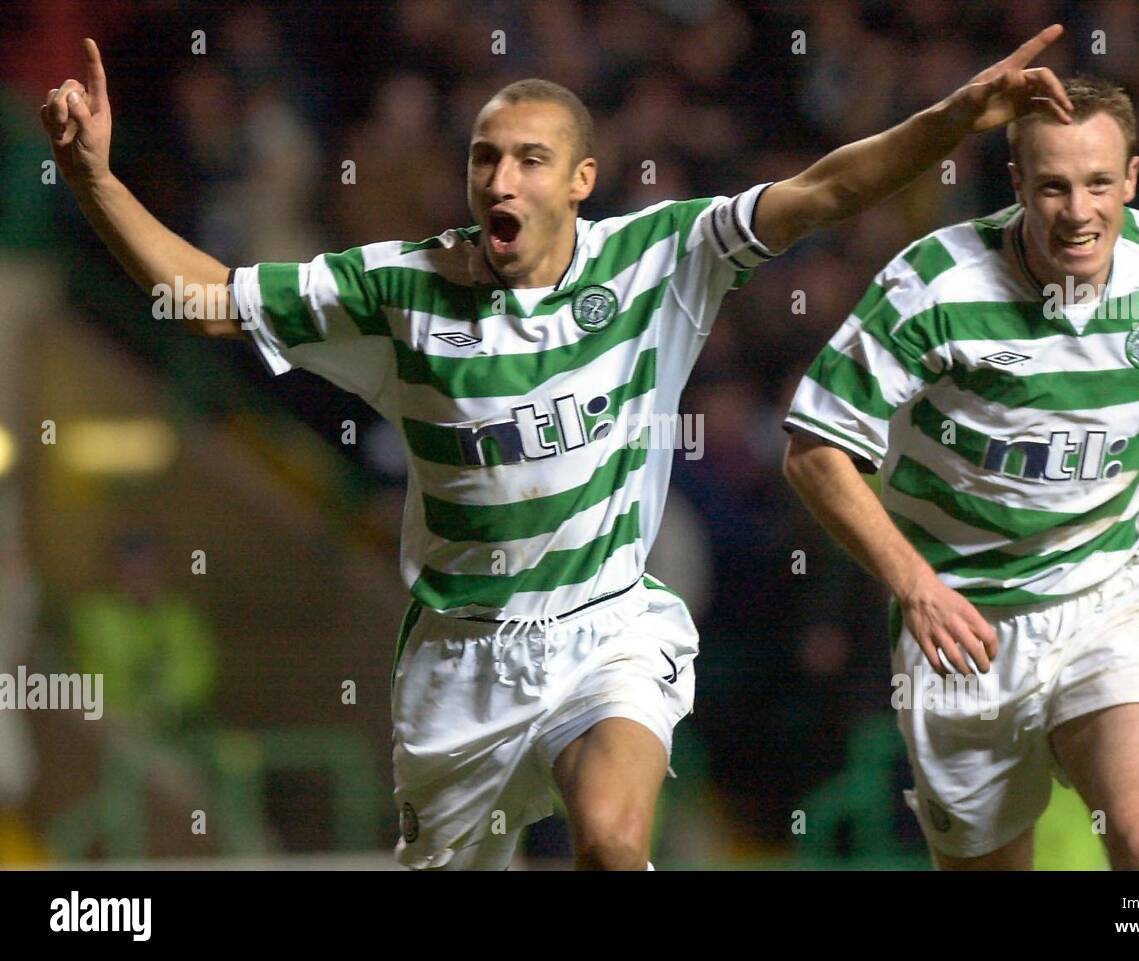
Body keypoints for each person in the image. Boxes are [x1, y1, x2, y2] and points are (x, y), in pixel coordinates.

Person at [42, 29, 1073, 870]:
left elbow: (822, 191)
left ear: (580, 180)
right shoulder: (396, 289)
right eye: (485, 157)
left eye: (529, 157)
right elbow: (211, 302)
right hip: (460, 660)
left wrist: (947, 121)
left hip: (605, 626)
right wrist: (92, 179)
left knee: (617, 844)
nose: (500, 175)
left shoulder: (658, 258)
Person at [782, 75, 1139, 870]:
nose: (1079, 211)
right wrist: (916, 585)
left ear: (1131, 177)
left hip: (1109, 594)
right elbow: (814, 448)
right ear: (1017, 183)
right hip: (965, 628)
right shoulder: (932, 287)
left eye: (1100, 183)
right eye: (1053, 186)